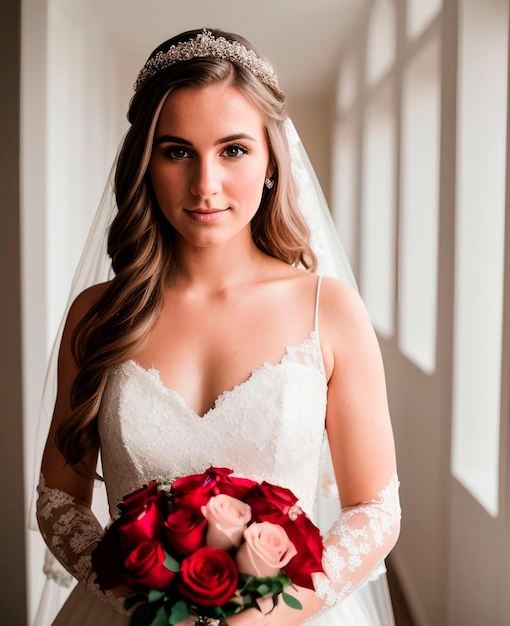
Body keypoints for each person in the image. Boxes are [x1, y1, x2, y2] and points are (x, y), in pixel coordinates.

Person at [36, 27, 401, 626]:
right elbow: (59, 503)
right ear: (145, 162)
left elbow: (375, 509)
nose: (205, 184)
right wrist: (147, 606)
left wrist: (261, 620)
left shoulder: (328, 311)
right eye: (177, 150)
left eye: (233, 150)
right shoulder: (97, 316)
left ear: (270, 162)